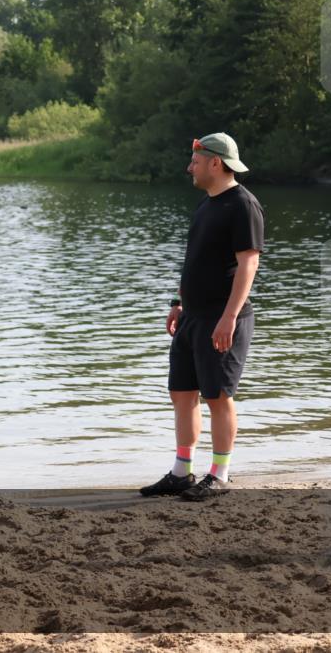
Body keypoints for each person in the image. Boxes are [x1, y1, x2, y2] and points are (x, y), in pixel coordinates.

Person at [140, 132, 264, 501]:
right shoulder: (206, 204)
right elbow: (195, 262)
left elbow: (249, 264)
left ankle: (220, 473)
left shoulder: (243, 204)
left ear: (215, 162)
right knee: (181, 393)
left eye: (194, 161)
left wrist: (229, 317)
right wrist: (178, 304)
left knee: (217, 396)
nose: (188, 167)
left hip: (222, 318)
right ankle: (182, 472)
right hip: (193, 316)